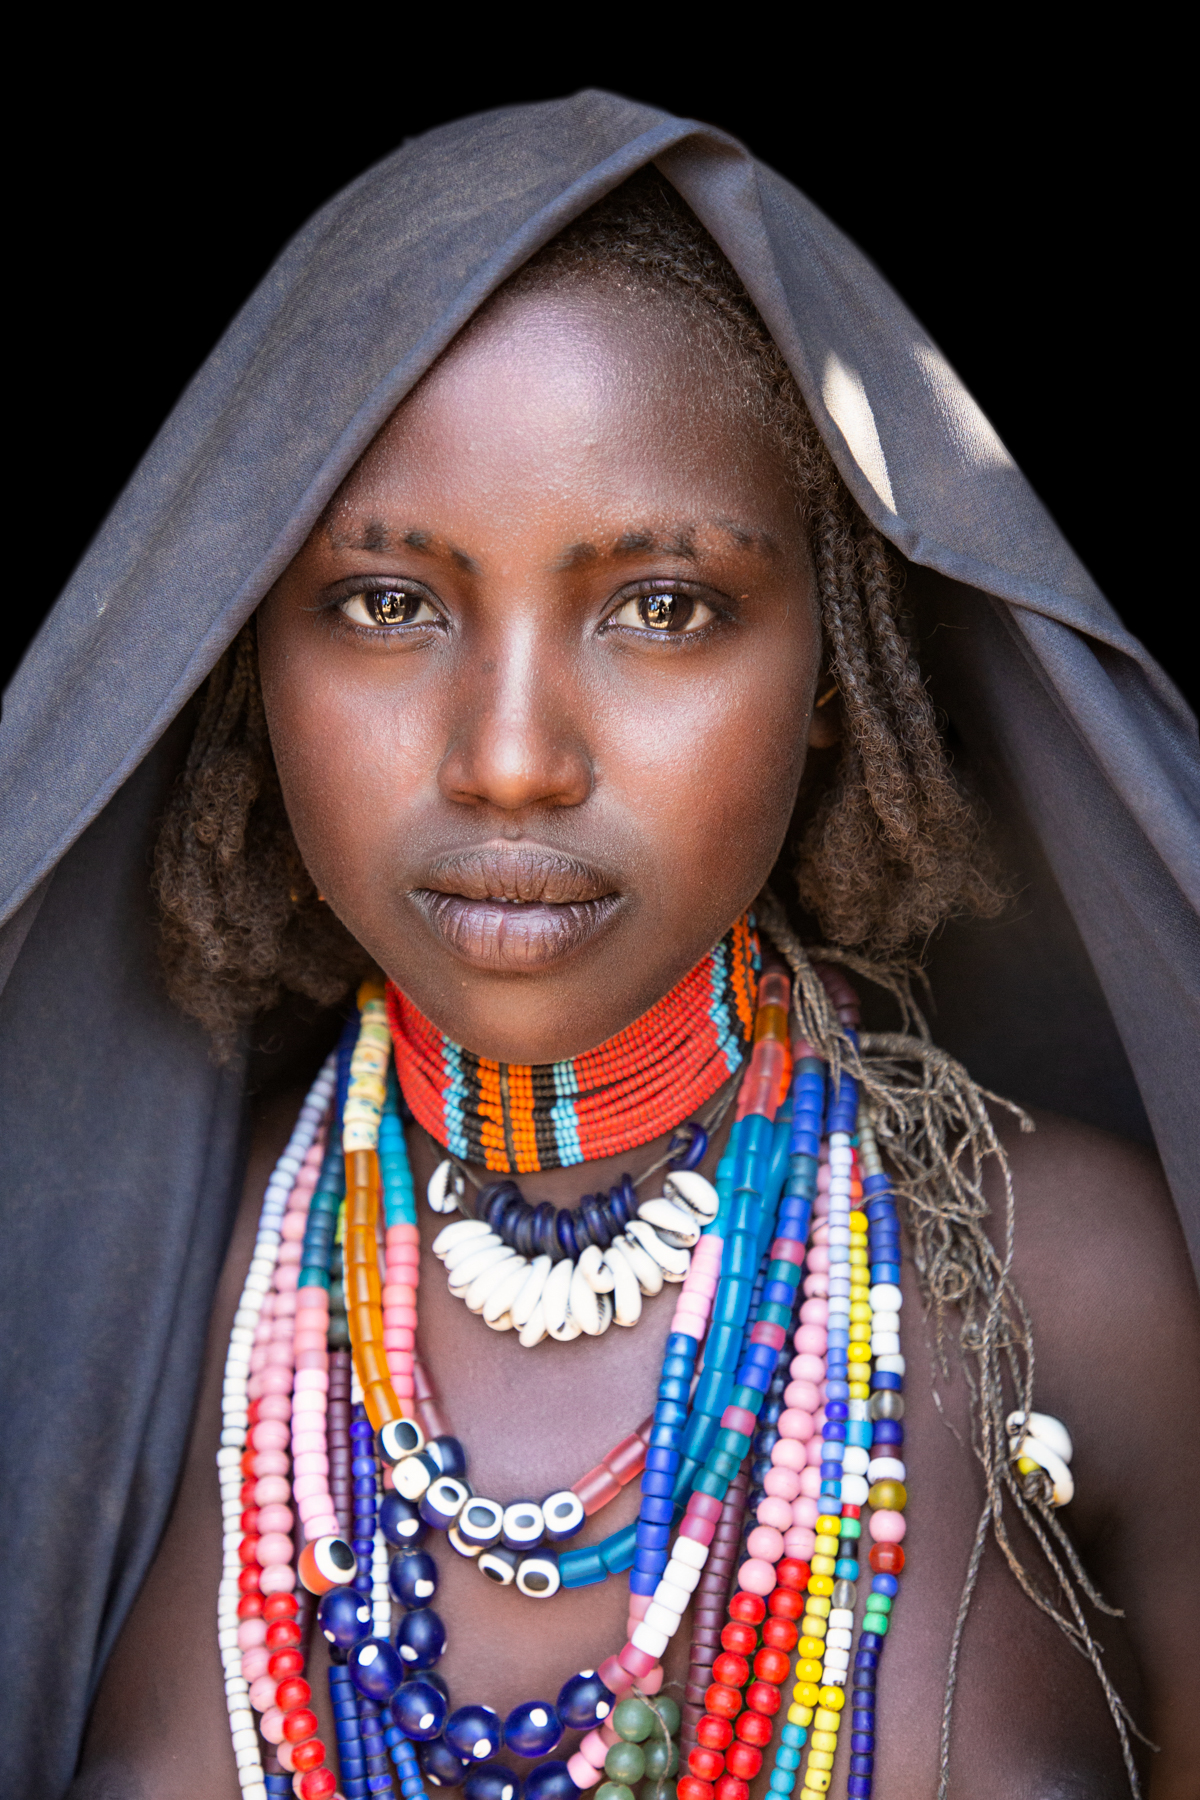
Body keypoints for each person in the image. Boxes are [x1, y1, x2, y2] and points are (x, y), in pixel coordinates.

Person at [1, 96, 1196, 1800]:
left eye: (662, 606)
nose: (509, 754)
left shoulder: (1073, 1299)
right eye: (388, 603)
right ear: (244, 667)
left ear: (837, 678)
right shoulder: (144, 1292)